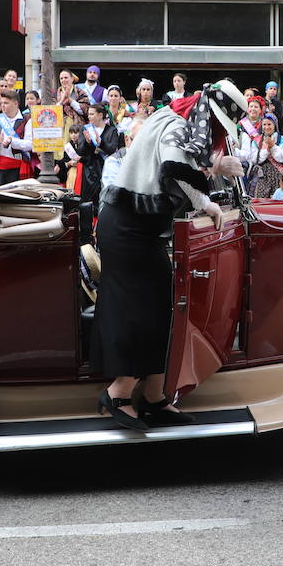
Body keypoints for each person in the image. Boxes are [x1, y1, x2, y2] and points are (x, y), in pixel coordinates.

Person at [93, 80, 248, 430]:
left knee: (163, 306)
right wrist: (207, 198)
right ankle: (119, 392)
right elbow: (175, 171)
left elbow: (184, 163)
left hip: (137, 227)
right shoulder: (175, 125)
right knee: (141, 309)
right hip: (128, 229)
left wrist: (212, 170)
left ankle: (154, 395)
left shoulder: (173, 119)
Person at [0, 93, 35, 187]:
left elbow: (29, 144)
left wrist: (13, 141)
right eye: (1, 103)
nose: (2, 105)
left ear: (16, 104)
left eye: (6, 103)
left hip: (16, 168)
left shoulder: (26, 120)